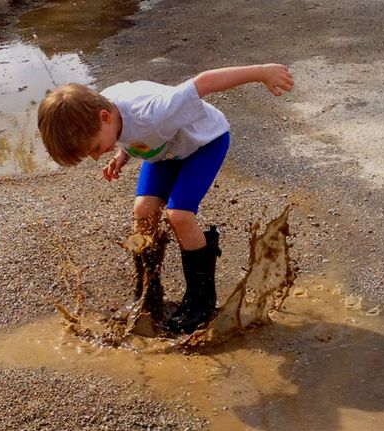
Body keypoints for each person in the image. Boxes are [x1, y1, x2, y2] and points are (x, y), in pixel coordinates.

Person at [38, 64, 294, 333]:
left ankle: (202, 301)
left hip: (203, 143)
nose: (94, 156)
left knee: (180, 216)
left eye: (95, 148)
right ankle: (148, 290)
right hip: (165, 151)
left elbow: (203, 81)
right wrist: (121, 154)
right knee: (143, 211)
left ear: (105, 117)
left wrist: (262, 73)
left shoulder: (153, 112)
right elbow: (128, 134)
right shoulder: (103, 115)